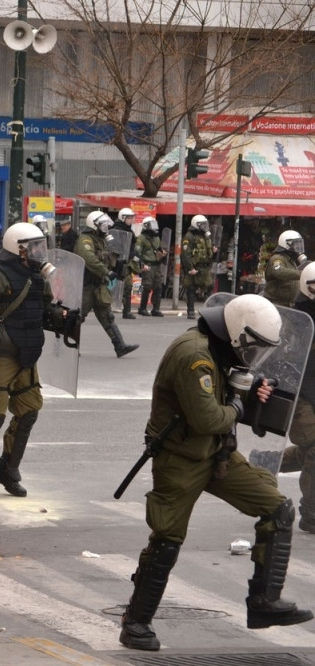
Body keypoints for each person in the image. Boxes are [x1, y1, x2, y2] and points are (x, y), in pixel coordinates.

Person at [119, 294, 313, 651]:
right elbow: (208, 418)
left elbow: (228, 392)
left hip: (216, 453)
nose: (254, 357)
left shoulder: (221, 348)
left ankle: (263, 603)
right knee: (167, 541)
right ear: (239, 335)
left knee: (278, 508)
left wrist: (253, 390)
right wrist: (238, 405)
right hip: (180, 458)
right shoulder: (194, 355)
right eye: (254, 349)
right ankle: (136, 622)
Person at [0, 223, 78, 497]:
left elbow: (42, 309)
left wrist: (62, 318)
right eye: (34, 246)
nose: (39, 251)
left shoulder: (36, 276)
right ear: (18, 247)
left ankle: (7, 469)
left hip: (27, 354)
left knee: (28, 412)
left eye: (40, 245)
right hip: (0, 354)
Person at [272, 263, 315, 533]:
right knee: (314, 449)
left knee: (309, 450)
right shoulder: (296, 318)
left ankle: (264, 464)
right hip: (300, 392)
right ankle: (311, 513)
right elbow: (284, 357)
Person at [75, 211, 139, 358]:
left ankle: (120, 346)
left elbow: (109, 259)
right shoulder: (85, 239)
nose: (105, 227)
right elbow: (89, 258)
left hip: (100, 285)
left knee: (107, 316)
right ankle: (67, 347)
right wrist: (105, 272)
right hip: (87, 286)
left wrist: (121, 268)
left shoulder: (102, 240)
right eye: (102, 225)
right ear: (94, 225)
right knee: (76, 318)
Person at [181, 214, 214, 319]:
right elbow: (185, 254)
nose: (205, 226)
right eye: (203, 224)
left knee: (209, 287)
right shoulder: (189, 236)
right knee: (191, 288)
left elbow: (208, 250)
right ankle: (190, 311)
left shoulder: (205, 235)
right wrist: (190, 268)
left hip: (204, 267)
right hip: (195, 267)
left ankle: (210, 311)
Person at [263, 229, 306, 308]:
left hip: (288, 305)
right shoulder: (277, 258)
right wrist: (302, 274)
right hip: (275, 304)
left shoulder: (290, 261)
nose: (297, 248)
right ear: (286, 245)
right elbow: (279, 271)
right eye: (295, 245)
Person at [135, 216, 167, 317]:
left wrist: (163, 253)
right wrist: (141, 265)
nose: (154, 227)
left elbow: (159, 248)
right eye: (151, 225)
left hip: (156, 265)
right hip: (147, 264)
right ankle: (142, 308)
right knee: (147, 286)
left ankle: (156, 309)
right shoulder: (141, 238)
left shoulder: (156, 238)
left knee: (158, 286)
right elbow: (137, 253)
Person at [114, 208, 138, 320]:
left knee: (128, 286)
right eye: (129, 218)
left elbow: (132, 248)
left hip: (126, 263)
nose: (131, 220)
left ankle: (126, 311)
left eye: (132, 218)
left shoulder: (130, 231)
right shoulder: (117, 230)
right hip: (117, 262)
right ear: (123, 218)